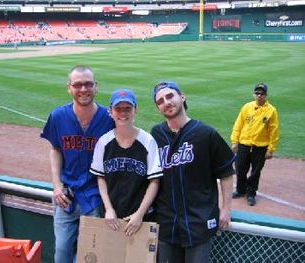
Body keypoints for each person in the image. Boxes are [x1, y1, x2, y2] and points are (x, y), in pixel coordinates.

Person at [150, 81, 235, 263]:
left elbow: (226, 172)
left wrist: (226, 209)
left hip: (199, 221)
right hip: (167, 223)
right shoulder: (156, 135)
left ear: (182, 96)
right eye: (160, 101)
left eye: (170, 96)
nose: (166, 102)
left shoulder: (206, 134)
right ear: (158, 108)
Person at [40, 65, 114, 263]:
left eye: (88, 84)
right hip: (67, 197)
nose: (83, 89)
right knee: (62, 252)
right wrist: (57, 185)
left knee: (92, 255)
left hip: (95, 197)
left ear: (96, 87)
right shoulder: (58, 116)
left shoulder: (109, 119)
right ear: (69, 88)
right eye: (78, 85)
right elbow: (55, 149)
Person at [90, 89, 163, 236]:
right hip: (112, 218)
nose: (123, 113)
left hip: (142, 219)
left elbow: (155, 181)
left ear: (135, 110)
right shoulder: (104, 142)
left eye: (128, 108)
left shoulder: (148, 141)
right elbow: (101, 177)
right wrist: (108, 209)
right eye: (118, 108)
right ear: (110, 111)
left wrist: (139, 214)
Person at [231, 83, 279, 206]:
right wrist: (234, 141)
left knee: (255, 172)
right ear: (253, 94)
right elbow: (238, 124)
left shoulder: (271, 111)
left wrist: (271, 149)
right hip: (244, 144)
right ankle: (240, 190)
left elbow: (274, 131)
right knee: (240, 168)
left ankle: (251, 193)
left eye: (261, 93)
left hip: (260, 147)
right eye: (257, 93)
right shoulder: (247, 107)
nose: (259, 95)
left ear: (265, 95)